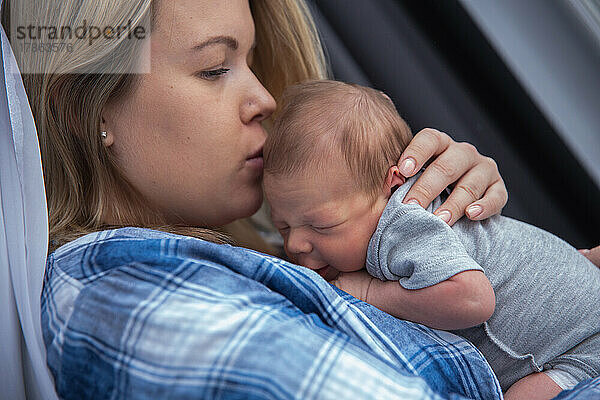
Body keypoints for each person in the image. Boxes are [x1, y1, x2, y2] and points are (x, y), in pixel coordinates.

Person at [6, 0, 596, 398]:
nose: (264, 97)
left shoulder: (265, 256)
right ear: (82, 106)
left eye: (252, 63)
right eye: (215, 68)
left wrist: (483, 241)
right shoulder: (127, 294)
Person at [262, 80, 600, 400]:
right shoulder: (380, 214)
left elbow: (472, 298)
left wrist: (369, 292)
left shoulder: (403, 223)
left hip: (583, 343)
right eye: (284, 227)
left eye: (321, 225)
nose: (295, 246)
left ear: (391, 185)